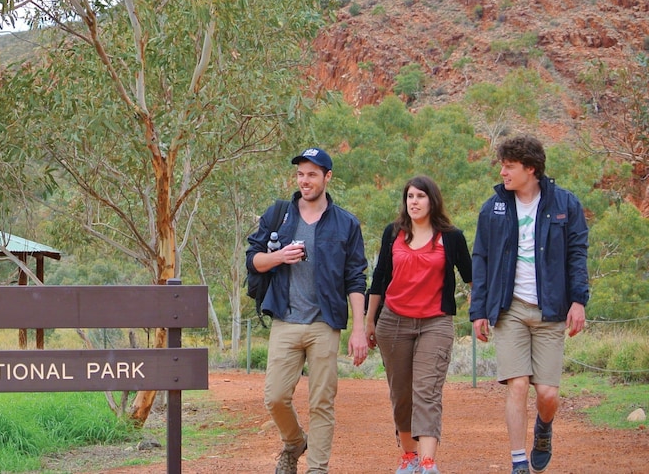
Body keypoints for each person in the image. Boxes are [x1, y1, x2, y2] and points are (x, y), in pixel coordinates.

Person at [469, 135, 589, 474]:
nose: (503, 173)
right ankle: (518, 461)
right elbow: (481, 258)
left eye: (510, 167)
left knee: (548, 393)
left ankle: (544, 429)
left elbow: (577, 255)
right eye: (503, 166)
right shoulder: (493, 208)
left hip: (551, 309)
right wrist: (479, 310)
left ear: (530, 169)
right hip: (510, 309)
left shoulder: (565, 204)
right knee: (518, 384)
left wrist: (579, 301)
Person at [245, 147, 369, 474]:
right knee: (274, 396)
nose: (305, 180)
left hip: (324, 324)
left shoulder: (346, 224)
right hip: (285, 319)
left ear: (327, 177)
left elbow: (356, 278)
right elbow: (252, 261)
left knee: (322, 404)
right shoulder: (279, 215)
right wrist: (279, 257)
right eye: (301, 174)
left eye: (312, 174)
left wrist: (359, 329)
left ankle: (317, 469)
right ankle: (295, 441)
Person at [364, 176, 473, 474]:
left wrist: (482, 312)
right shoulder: (393, 234)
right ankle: (408, 456)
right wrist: (369, 321)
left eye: (420, 196)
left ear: (432, 200)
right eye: (410, 196)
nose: (414, 201)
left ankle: (428, 463)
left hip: (435, 323)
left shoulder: (451, 237)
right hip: (393, 322)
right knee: (401, 394)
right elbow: (379, 280)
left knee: (427, 391)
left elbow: (471, 276)